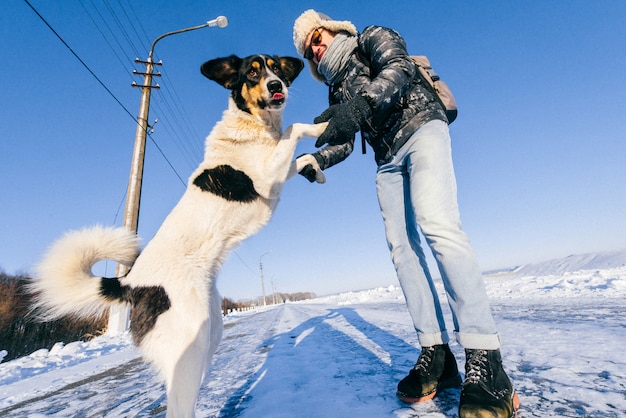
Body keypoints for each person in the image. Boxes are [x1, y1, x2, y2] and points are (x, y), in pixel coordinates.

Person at [292, 9, 520, 418]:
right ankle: (436, 354)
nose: (316, 45)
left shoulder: (370, 38)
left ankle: (487, 361)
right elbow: (345, 141)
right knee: (401, 249)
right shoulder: (335, 90)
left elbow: (397, 68)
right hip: (386, 159)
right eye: (309, 47)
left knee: (438, 225)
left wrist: (359, 105)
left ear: (331, 27)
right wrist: (318, 159)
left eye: (318, 35)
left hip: (421, 127)